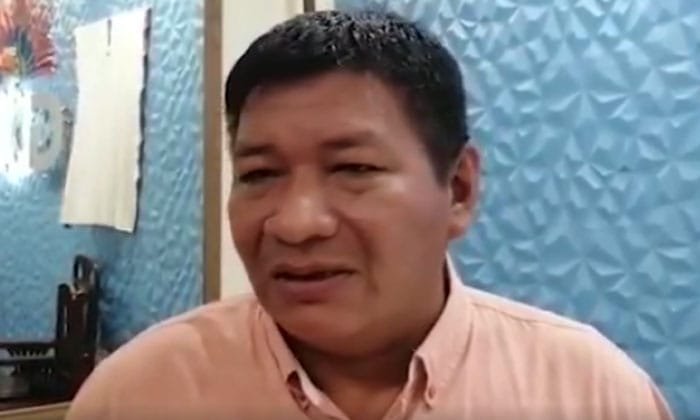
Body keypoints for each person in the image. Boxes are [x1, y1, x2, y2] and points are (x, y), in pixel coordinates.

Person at [67, 9, 673, 420]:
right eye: (259, 174)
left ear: (458, 190)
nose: (296, 223)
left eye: (353, 169)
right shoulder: (137, 395)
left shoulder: (590, 394)